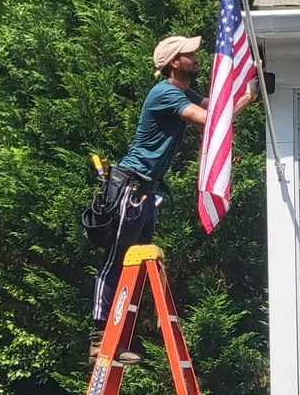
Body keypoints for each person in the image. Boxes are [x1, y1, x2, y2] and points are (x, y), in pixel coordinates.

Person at [89, 34, 256, 361]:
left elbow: (217, 113)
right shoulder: (164, 92)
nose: (196, 58)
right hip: (129, 187)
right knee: (115, 261)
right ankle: (98, 340)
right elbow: (211, 119)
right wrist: (248, 91)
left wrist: (246, 90)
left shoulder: (183, 92)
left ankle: (117, 340)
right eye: (189, 55)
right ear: (173, 63)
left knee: (133, 267)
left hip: (146, 193)